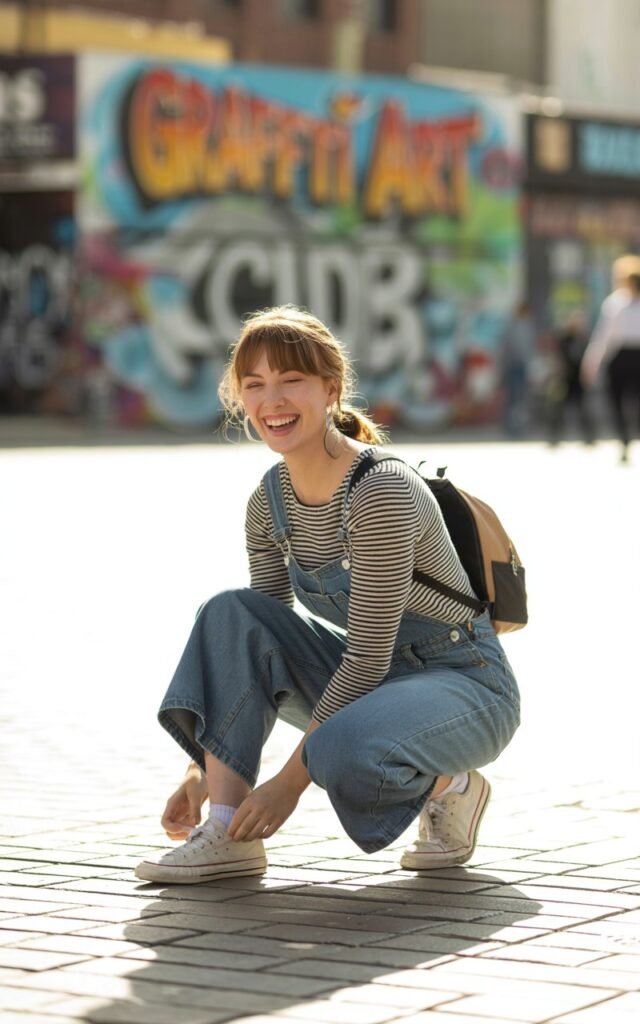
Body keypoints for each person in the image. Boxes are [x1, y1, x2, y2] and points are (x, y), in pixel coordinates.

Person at [135, 306, 521, 885]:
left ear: (331, 389)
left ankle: (454, 784)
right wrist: (203, 767)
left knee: (337, 751)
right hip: (374, 683)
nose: (273, 400)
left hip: (464, 681)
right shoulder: (269, 502)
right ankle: (226, 827)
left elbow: (365, 656)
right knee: (230, 613)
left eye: (292, 380)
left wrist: (288, 786)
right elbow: (249, 647)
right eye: (255, 384)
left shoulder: (380, 491)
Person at [582, 271, 640, 463]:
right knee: (617, 402)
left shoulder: (615, 303)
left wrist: (592, 361)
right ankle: (624, 441)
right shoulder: (616, 303)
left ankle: (626, 440)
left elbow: (604, 336)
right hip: (621, 355)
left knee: (622, 403)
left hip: (624, 356)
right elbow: (605, 336)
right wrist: (593, 361)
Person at [546, 309, 595, 446]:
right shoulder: (563, 339)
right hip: (565, 378)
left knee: (583, 409)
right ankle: (554, 438)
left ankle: (589, 437)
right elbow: (557, 358)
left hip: (578, 379)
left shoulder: (583, 339)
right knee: (558, 409)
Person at [500, 300, 537, 438]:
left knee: (514, 397)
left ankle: (513, 425)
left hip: (513, 366)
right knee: (518, 397)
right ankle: (515, 426)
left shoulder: (513, 326)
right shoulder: (523, 326)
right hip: (518, 367)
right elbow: (523, 349)